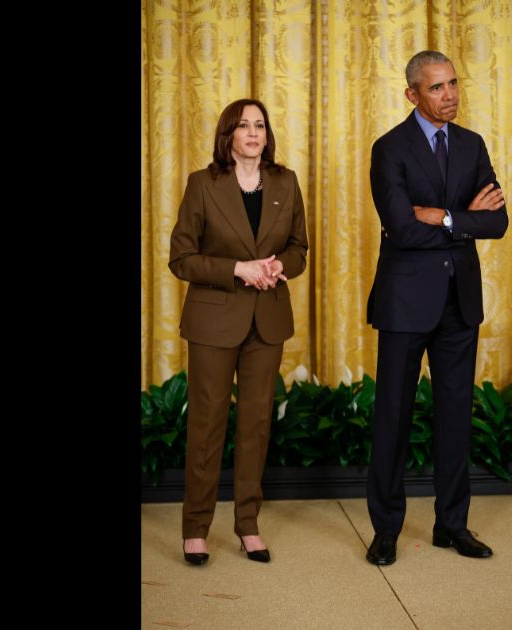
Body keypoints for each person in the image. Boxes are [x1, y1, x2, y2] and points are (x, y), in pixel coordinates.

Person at [364, 51, 508, 565]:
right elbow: (400, 228)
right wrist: (463, 218)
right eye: (437, 88)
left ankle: (453, 525)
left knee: (455, 419)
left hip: (459, 303)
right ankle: (385, 529)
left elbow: (498, 223)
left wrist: (444, 217)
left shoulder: (472, 145)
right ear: (412, 95)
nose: (449, 95)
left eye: (453, 84)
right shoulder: (389, 149)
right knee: (394, 418)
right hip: (405, 303)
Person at [168, 98, 308, 565]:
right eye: (243, 125)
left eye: (260, 125)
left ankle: (248, 524)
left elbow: (298, 249)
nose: (253, 132)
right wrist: (238, 269)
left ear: (267, 135)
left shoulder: (285, 183)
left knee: (256, 425)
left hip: (267, 319)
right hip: (213, 320)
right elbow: (182, 258)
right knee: (206, 425)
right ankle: (195, 528)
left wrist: (275, 267)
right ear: (228, 134)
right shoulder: (203, 185)